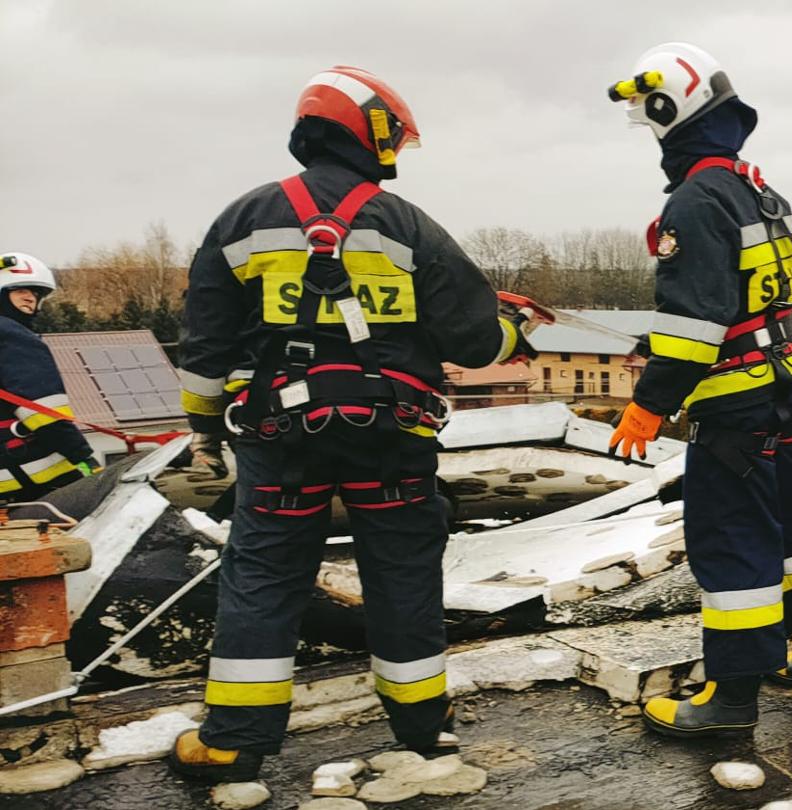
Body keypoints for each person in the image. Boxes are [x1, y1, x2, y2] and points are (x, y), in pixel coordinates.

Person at [167, 65, 532, 781]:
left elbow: (205, 348)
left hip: (279, 441)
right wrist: (514, 331)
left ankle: (233, 742)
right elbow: (473, 342)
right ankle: (424, 731)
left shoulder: (242, 220)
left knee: (264, 575)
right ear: (369, 132)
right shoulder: (407, 225)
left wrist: (205, 430)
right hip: (391, 441)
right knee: (403, 573)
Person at [604, 42, 792, 738]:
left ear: (671, 112)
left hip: (736, 407)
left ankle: (731, 698)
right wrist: (660, 345)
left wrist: (649, 403)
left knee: (732, 537)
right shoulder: (755, 189)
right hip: (785, 387)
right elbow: (746, 303)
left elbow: (695, 326)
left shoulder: (694, 201)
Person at [0, 252, 100, 501]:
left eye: (36, 293)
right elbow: (44, 412)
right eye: (20, 290)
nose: (30, 297)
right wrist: (83, 457)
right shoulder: (12, 335)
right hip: (27, 474)